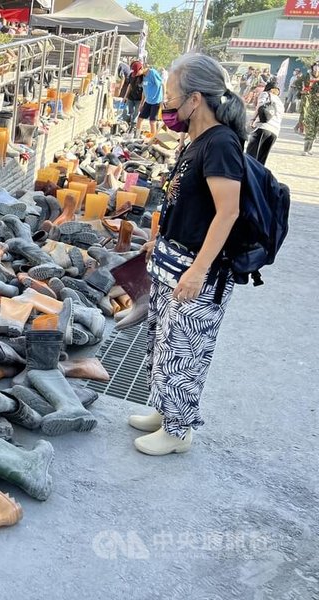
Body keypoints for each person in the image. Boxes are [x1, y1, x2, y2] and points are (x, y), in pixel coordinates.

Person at [130, 53, 247, 456]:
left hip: (195, 272)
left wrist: (198, 271)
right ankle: (165, 413)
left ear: (195, 99)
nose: (169, 106)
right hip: (172, 263)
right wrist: (158, 240)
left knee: (184, 351)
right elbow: (187, 203)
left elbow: (228, 211)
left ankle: (178, 431)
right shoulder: (198, 141)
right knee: (163, 344)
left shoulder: (221, 144)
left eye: (174, 96)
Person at [246, 80, 284, 165]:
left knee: (250, 157)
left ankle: (247, 177)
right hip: (274, 132)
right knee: (261, 161)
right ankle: (258, 177)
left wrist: (252, 120)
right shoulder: (280, 102)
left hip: (263, 128)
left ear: (268, 88)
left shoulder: (265, 94)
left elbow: (260, 106)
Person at [136, 63, 164, 137]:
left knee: (152, 122)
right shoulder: (142, 77)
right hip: (148, 101)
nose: (136, 74)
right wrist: (141, 104)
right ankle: (137, 135)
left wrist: (163, 100)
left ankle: (152, 139)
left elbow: (162, 84)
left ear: (141, 68)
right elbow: (144, 92)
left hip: (156, 101)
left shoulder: (152, 73)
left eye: (137, 72)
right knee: (140, 118)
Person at [301, 62, 319, 155]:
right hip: (312, 108)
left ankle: (310, 149)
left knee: (316, 130)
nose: (317, 68)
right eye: (316, 66)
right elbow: (309, 93)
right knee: (310, 129)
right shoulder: (313, 83)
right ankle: (305, 150)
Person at [123, 60, 144, 125]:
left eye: (136, 72)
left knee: (136, 114)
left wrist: (142, 102)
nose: (135, 74)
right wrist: (125, 96)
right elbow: (130, 86)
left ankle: (133, 125)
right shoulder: (131, 75)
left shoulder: (144, 77)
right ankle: (126, 123)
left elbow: (145, 91)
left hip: (139, 99)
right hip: (131, 97)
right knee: (127, 111)